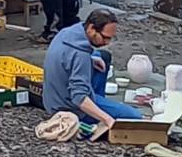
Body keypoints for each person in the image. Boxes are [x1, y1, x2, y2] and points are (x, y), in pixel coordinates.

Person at [43, 8, 142, 137]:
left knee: (102, 56)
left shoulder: (69, 32)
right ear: (91, 28)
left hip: (52, 100)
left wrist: (92, 58)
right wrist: (107, 120)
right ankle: (94, 110)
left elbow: (70, 58)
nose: (107, 43)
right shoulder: (80, 55)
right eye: (105, 38)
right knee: (134, 116)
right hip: (68, 109)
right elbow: (79, 98)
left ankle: (96, 101)